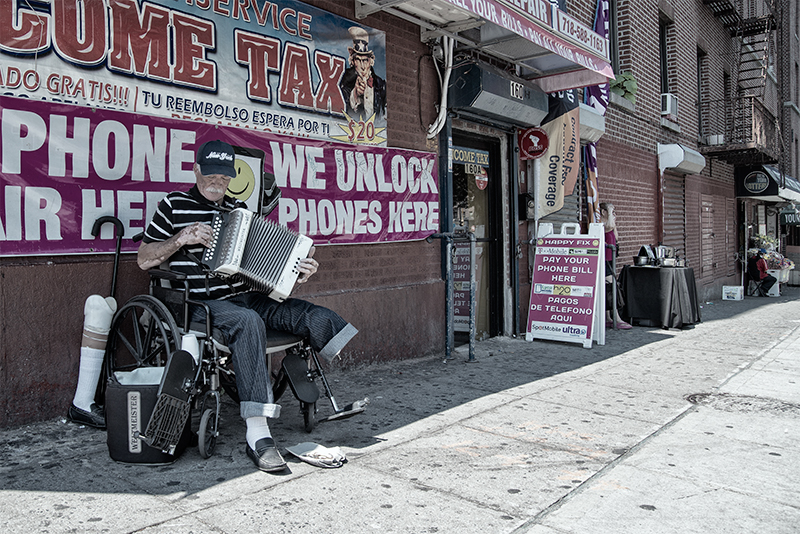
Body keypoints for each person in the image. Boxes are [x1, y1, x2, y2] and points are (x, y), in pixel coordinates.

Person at [137, 140, 358, 473]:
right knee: (248, 321)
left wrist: (297, 273)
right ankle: (258, 434)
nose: (217, 183)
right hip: (199, 302)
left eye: (224, 177)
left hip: (246, 295)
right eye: (210, 174)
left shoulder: (239, 209)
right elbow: (143, 260)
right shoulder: (173, 205)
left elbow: (262, 265)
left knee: (310, 314)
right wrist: (181, 239)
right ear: (196, 170)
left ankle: (304, 382)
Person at [339, 26, 386, 121]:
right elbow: (342, 103)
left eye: (365, 60)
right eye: (358, 60)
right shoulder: (345, 80)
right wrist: (355, 94)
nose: (363, 66)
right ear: (352, 62)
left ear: (371, 61)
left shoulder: (380, 84)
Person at [599, 202, 632, 329]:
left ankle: (608, 317)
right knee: (611, 288)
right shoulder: (601, 223)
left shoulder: (611, 225)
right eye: (611, 212)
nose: (614, 215)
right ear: (603, 212)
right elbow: (609, 226)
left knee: (608, 287)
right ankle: (616, 318)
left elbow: (616, 237)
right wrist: (609, 212)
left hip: (610, 258)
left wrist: (613, 216)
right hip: (605, 259)